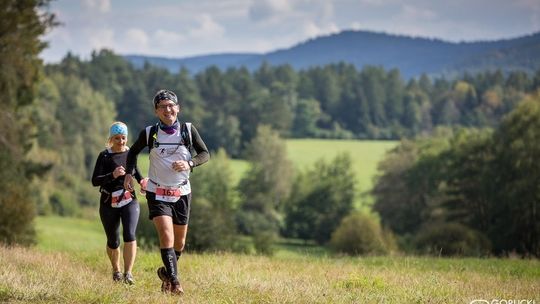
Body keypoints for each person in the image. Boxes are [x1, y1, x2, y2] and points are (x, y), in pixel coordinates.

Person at [124, 89, 209, 295]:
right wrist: (129, 174)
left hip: (181, 192)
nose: (167, 110)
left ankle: (165, 272)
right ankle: (175, 282)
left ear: (177, 108)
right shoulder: (149, 133)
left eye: (171, 106)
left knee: (179, 243)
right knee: (166, 236)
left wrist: (189, 163)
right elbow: (132, 152)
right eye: (162, 107)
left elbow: (205, 154)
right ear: (156, 111)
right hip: (156, 191)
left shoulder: (188, 130)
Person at [91, 121, 147, 285]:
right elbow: (95, 181)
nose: (121, 141)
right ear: (111, 139)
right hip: (109, 202)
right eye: (117, 138)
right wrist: (112, 175)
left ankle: (128, 273)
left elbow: (136, 171)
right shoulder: (105, 156)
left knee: (130, 235)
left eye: (123, 138)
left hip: (129, 199)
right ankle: (116, 270)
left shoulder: (131, 153)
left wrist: (143, 181)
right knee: (113, 240)